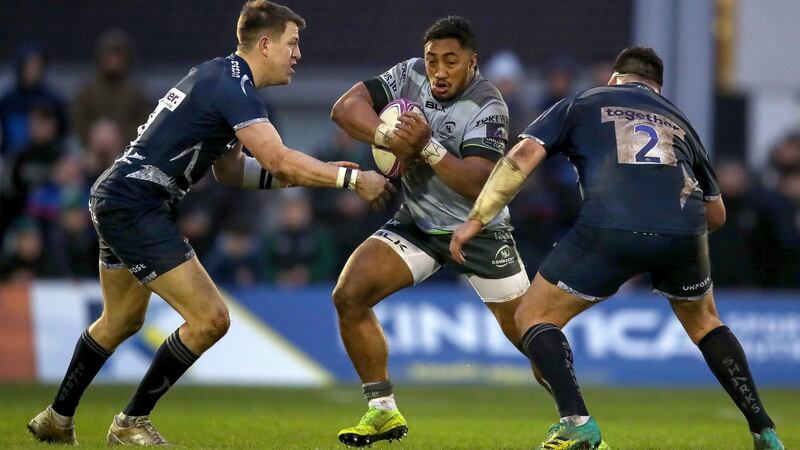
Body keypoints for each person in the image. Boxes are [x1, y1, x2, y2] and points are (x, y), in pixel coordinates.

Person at [27, 1, 393, 446]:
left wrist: (327, 174)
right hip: (135, 204)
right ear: (264, 43)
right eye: (292, 43)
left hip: (121, 196)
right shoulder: (234, 87)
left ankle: (56, 417)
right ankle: (130, 422)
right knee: (211, 319)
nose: (298, 54)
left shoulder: (219, 76)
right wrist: (351, 178)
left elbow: (231, 171)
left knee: (120, 320)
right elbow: (278, 159)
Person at [450, 47, 784, 450]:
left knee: (533, 315)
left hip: (609, 225)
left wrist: (476, 219)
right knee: (706, 324)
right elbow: (717, 215)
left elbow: (522, 157)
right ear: (656, 87)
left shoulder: (585, 100)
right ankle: (764, 430)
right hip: (683, 232)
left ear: (615, 78)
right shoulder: (679, 121)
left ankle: (577, 423)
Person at [330, 16, 532, 448]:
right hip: (420, 223)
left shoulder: (489, 105)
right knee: (350, 295)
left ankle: (577, 421)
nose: (439, 70)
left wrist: (425, 147)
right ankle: (381, 411)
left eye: (451, 61)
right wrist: (388, 136)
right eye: (433, 59)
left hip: (479, 228)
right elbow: (345, 108)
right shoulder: (410, 74)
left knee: (532, 332)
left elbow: (478, 182)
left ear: (472, 63)